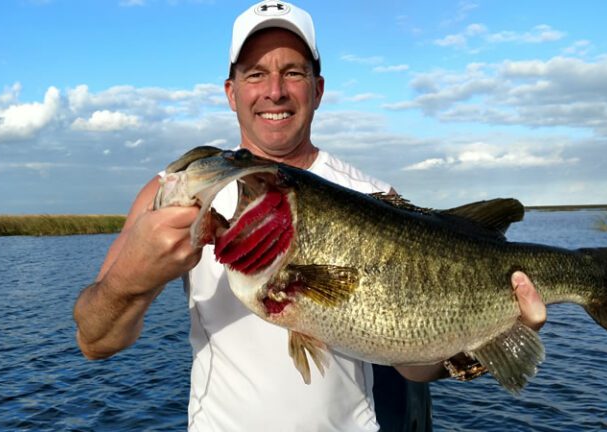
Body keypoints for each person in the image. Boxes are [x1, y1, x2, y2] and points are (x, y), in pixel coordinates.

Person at [73, 1, 547, 431]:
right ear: (230, 91)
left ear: (317, 90)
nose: (274, 91)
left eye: (293, 73)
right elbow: (95, 341)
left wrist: (493, 338)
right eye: (255, 74)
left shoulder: (374, 195)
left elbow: (411, 365)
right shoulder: (178, 194)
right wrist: (127, 280)